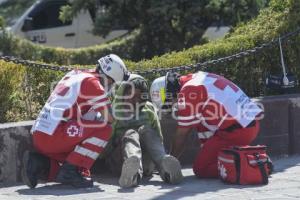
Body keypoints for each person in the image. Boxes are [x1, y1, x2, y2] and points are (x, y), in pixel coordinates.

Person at [22, 54, 130, 188]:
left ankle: (37, 164)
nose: (111, 86)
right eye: (113, 83)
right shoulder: (92, 83)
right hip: (55, 133)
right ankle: (69, 172)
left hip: (41, 133)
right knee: (104, 129)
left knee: (80, 167)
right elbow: (109, 118)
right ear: (109, 77)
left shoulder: (75, 74)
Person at [150, 71, 262, 178]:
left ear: (170, 92)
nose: (172, 106)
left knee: (201, 168)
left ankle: (253, 165)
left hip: (238, 130)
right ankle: (249, 160)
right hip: (247, 123)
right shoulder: (196, 78)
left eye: (168, 104)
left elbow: (182, 135)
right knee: (198, 121)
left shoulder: (189, 91)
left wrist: (168, 164)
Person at [103, 74, 183, 188]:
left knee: (147, 130)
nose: (135, 100)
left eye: (139, 97)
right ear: (123, 94)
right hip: (119, 162)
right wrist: (119, 141)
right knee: (131, 133)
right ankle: (132, 173)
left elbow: (158, 139)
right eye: (131, 95)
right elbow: (104, 149)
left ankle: (166, 169)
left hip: (147, 162)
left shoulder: (149, 109)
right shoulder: (114, 111)